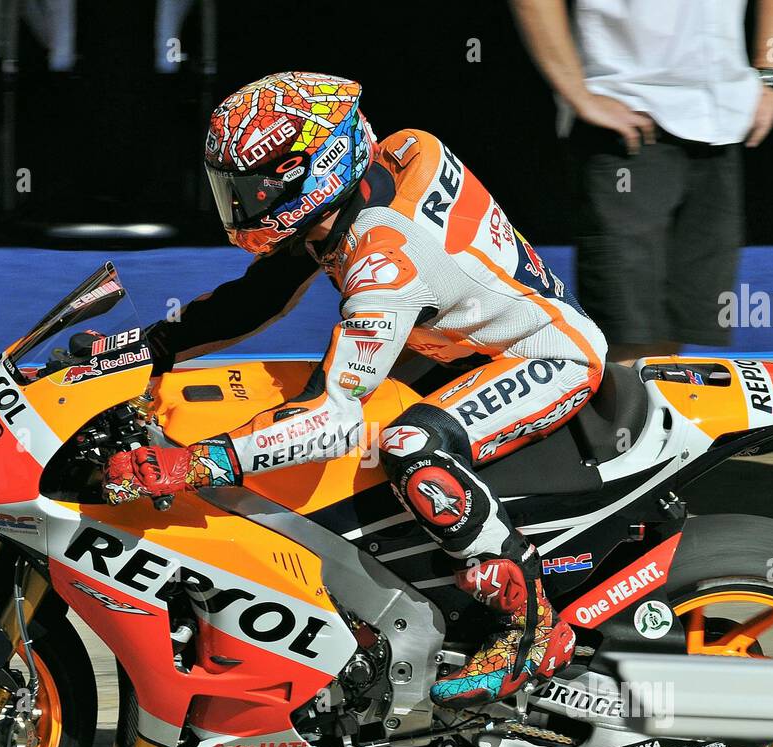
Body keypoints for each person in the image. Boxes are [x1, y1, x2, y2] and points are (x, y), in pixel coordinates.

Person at [102, 71, 607, 709]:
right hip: (458, 343)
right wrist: (147, 349)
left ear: (314, 170)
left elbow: (330, 416)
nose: (240, 203)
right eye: (232, 187)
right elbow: (258, 295)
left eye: (255, 187)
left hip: (544, 354)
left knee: (409, 447)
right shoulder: (372, 175)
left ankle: (530, 626)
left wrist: (194, 463)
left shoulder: (384, 259)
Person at [510, 0, 773, 362]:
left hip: (721, 119)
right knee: (626, 335)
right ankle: (619, 418)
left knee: (673, 332)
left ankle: (647, 416)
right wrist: (577, 91)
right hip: (630, 122)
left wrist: (771, 72)